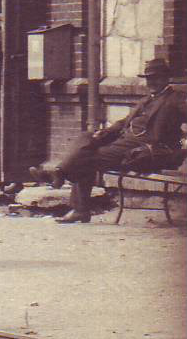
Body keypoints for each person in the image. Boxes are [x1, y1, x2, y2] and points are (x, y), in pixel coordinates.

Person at [54, 57, 185, 223]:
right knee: (85, 137)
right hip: (122, 144)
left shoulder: (175, 99)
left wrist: (182, 145)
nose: (152, 82)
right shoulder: (146, 100)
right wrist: (105, 132)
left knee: (85, 158)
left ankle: (72, 197)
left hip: (143, 151)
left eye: (156, 77)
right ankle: (60, 173)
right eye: (149, 78)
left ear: (166, 78)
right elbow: (124, 122)